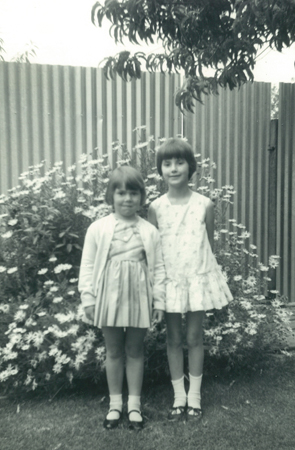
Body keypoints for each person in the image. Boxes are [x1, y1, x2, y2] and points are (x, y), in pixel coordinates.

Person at [148, 138, 232, 421]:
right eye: (167, 163)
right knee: (173, 339)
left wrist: (202, 275)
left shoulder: (205, 204)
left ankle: (194, 397)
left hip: (196, 278)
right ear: (160, 170)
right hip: (171, 280)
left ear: (191, 167)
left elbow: (208, 244)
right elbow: (155, 249)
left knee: (194, 337)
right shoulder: (155, 207)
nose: (174, 168)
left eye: (179, 162)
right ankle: (178, 397)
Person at [78, 165, 166, 430]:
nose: (128, 199)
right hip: (109, 295)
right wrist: (88, 298)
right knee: (114, 351)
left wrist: (159, 300)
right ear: (111, 196)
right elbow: (88, 265)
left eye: (134, 193)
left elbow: (159, 268)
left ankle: (134, 406)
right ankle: (115, 405)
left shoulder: (149, 231)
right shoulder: (98, 228)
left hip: (140, 296)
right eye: (121, 193)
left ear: (141, 196)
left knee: (135, 350)